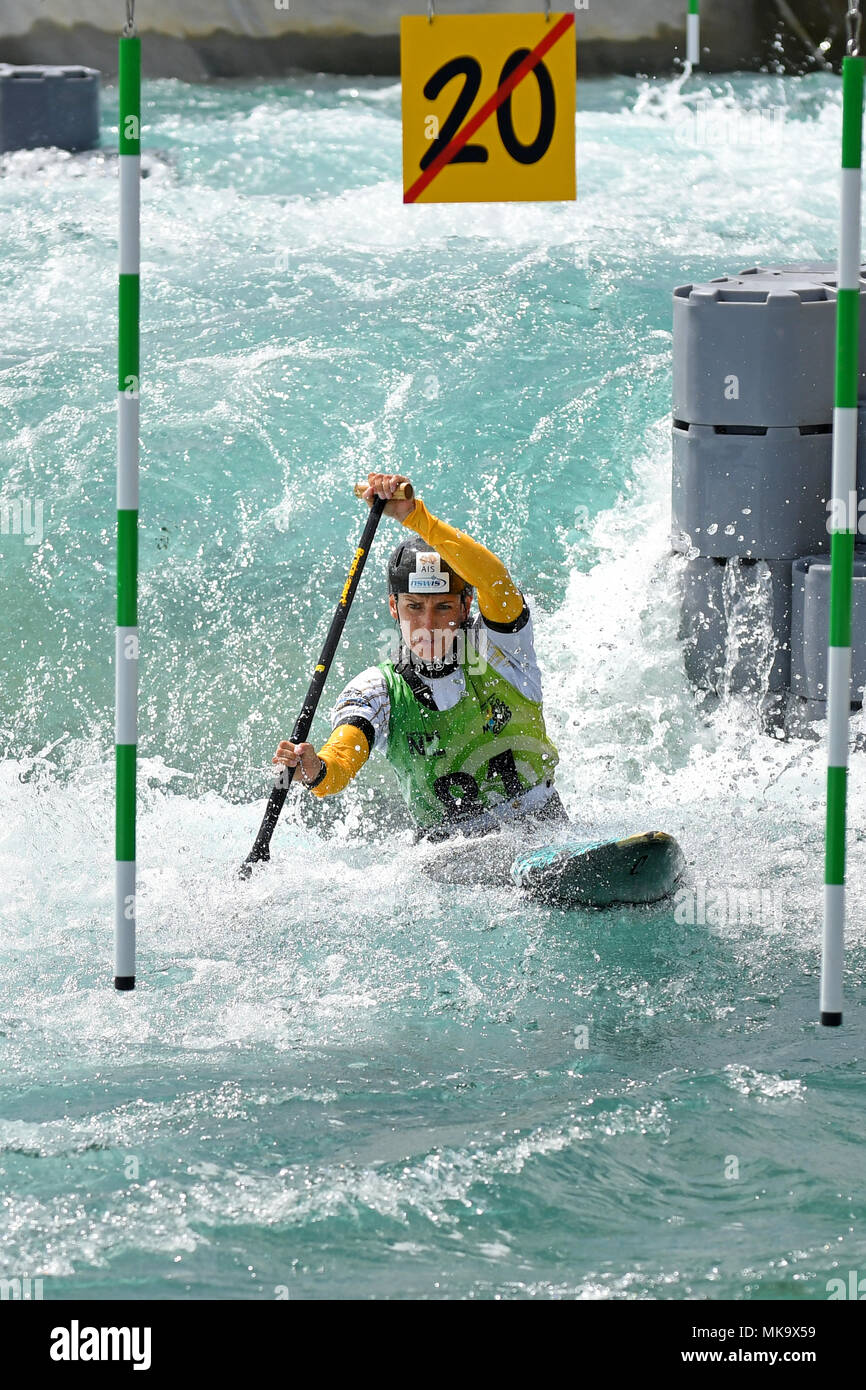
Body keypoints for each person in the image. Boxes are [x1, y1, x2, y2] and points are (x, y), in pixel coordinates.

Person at [273, 473, 567, 862]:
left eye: (443, 606)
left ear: (465, 607)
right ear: (394, 608)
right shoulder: (378, 689)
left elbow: (494, 581)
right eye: (414, 607)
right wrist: (313, 768)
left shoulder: (501, 649)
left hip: (541, 830)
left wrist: (414, 515)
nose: (428, 624)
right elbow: (339, 764)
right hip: (449, 860)